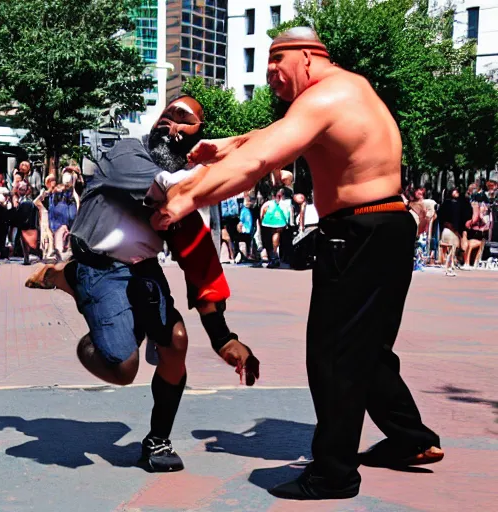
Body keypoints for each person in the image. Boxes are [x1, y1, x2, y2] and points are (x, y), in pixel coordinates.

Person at [152, 27, 443, 500]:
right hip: (386, 229)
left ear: (307, 58)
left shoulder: (324, 98)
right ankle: (412, 438)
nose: (270, 78)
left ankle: (333, 474)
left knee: (333, 356)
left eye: (275, 65)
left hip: (358, 234)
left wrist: (185, 196)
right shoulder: (351, 89)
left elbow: (262, 159)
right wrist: (226, 145)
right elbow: (269, 136)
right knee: (366, 349)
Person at [26, 96, 260, 473]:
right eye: (167, 115)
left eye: (184, 122)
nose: (171, 126)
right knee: (123, 370)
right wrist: (245, 159)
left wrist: (223, 337)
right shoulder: (126, 153)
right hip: (99, 266)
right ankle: (67, 278)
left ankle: (157, 440)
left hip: (143, 271)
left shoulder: (183, 195)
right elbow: (172, 186)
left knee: (177, 342)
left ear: (196, 141)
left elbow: (200, 262)